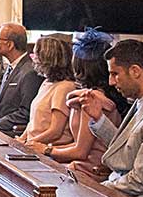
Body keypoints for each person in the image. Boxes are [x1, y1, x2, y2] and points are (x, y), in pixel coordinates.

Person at [67, 39, 143, 197]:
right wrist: (98, 118)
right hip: (121, 190)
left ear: (135, 71)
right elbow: (128, 149)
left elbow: (141, 182)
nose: (111, 82)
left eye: (115, 74)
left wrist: (96, 187)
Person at [39, 29, 122, 167]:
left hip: (90, 168)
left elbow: (80, 152)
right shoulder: (91, 94)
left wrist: (45, 150)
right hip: (81, 163)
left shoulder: (90, 99)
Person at [0, 22, 42, 135]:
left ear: (10, 45)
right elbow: (5, 108)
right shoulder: (12, 67)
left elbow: (25, 113)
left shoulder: (29, 73)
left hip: (10, 133)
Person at [21, 35, 73, 147]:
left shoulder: (65, 87)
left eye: (35, 54)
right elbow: (33, 121)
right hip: (32, 144)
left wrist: (28, 143)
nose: (32, 58)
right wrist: (22, 138)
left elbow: (55, 131)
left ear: (47, 58)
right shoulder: (46, 82)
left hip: (48, 149)